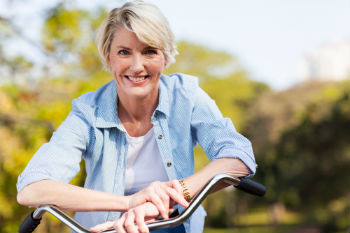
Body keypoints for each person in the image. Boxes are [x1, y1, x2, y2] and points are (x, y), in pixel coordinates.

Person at [16, 1, 257, 233]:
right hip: (104, 229)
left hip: (171, 224)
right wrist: (131, 203)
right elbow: (31, 189)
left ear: (167, 55)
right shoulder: (88, 111)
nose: (137, 66)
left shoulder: (187, 96)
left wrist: (166, 198)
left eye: (149, 51)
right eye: (124, 52)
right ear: (109, 58)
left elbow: (239, 157)